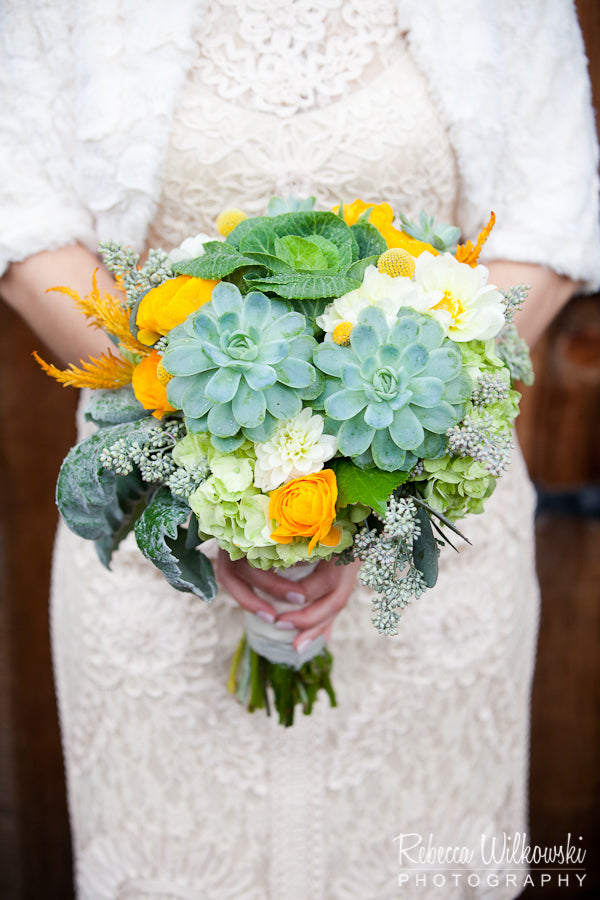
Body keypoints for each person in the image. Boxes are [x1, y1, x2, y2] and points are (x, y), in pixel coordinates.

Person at [1, 1, 598, 897]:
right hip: (159, 532)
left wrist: (372, 489)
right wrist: (209, 457)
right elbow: (26, 227)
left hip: (427, 532)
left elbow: (547, 231)